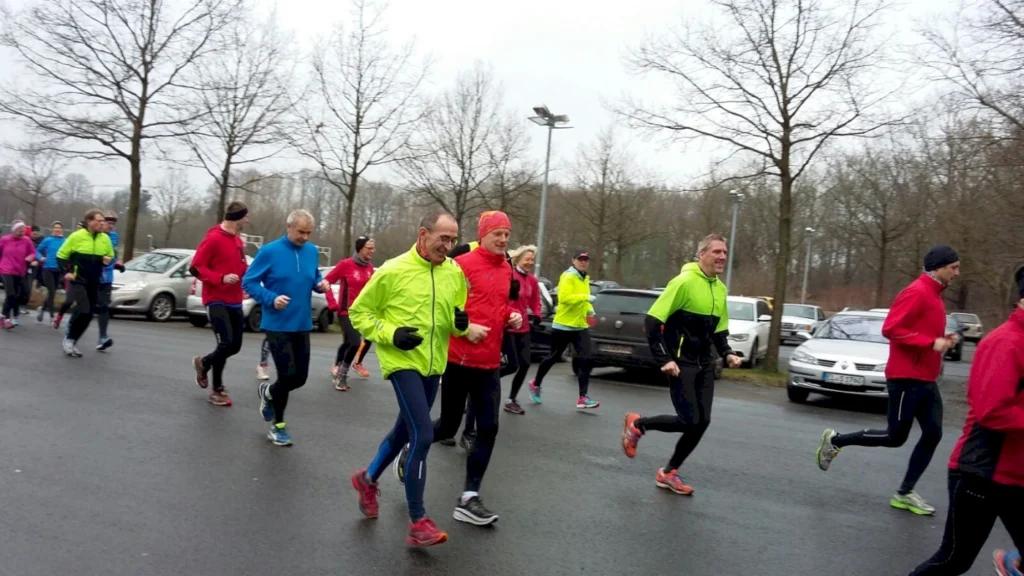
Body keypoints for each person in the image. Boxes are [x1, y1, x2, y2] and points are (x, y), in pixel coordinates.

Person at [348, 210, 474, 547]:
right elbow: (360, 312)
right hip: (401, 362)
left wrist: (460, 323)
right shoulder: (393, 270)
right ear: (422, 234)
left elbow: (454, 322)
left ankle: (367, 478)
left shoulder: (454, 273)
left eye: (452, 240)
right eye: (442, 238)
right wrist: (391, 333)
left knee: (405, 429)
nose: (447, 246)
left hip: (434, 365)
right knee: (422, 432)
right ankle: (418, 520)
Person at [393, 211, 520, 527]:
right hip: (457, 359)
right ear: (484, 235)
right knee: (449, 426)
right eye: (497, 234)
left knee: (488, 428)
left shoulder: (507, 269)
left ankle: (468, 497)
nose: (503, 240)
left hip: (489, 362)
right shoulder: (460, 265)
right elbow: (443, 305)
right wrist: (466, 327)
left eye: (507, 234)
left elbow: (497, 305)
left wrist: (510, 317)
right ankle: (411, 447)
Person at [816, 245, 961, 516]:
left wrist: (943, 342)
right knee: (895, 437)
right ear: (938, 267)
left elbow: (921, 333)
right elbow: (891, 329)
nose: (957, 273)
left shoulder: (935, 296)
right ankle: (836, 440)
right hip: (905, 378)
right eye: (953, 267)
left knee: (933, 433)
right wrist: (931, 342)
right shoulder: (916, 292)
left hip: (926, 379)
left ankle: (905, 492)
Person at [906, 266, 1024, 576]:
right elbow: (992, 411)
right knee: (953, 560)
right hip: (982, 473)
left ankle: (1014, 564)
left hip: (1017, 473)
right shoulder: (1006, 342)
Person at [621, 234, 742, 494]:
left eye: (724, 252)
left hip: (705, 363)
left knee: (703, 421)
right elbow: (653, 322)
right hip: (680, 363)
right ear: (702, 254)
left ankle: (668, 472)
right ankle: (638, 425)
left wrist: (728, 352)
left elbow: (719, 330)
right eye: (717, 252)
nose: (722, 257)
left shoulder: (720, 289)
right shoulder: (683, 282)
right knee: (688, 419)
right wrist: (664, 358)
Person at [242, 209, 329, 446]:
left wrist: (320, 285)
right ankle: (278, 427)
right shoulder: (269, 251)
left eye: (309, 233)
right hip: (277, 323)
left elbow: (311, 277)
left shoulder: (311, 251)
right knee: (287, 374)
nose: (305, 237)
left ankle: (267, 393)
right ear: (289, 228)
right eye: (301, 232)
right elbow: (248, 281)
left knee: (300, 378)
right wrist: (271, 298)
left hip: (302, 323)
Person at [189, 201, 250, 407]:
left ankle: (203, 363)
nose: (247, 220)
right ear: (237, 218)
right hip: (216, 298)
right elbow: (195, 268)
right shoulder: (214, 238)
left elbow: (242, 267)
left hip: (235, 300)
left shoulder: (238, 241)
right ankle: (217, 388)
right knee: (225, 343)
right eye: (245, 217)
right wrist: (220, 278)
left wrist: (250, 281)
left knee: (235, 345)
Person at [528, 249, 600, 409]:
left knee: (586, 358)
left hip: (580, 325)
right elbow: (565, 298)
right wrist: (586, 298)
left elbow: (583, 299)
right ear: (573, 260)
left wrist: (589, 309)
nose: (583, 262)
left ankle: (583, 397)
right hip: (563, 325)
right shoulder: (568, 276)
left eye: (586, 260)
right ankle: (535, 383)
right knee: (553, 357)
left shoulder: (584, 278)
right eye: (580, 259)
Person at [56, 210, 114, 357]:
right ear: (89, 221)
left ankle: (73, 340)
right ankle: (68, 340)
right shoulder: (77, 237)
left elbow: (110, 256)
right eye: (99, 220)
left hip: (94, 281)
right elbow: (61, 255)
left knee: (88, 315)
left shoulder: (105, 239)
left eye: (103, 221)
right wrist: (66, 272)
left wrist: (108, 260)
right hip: (78, 279)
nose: (102, 223)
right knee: (84, 309)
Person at [324, 235, 376, 391]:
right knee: (354, 342)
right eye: (369, 248)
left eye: (374, 248)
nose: (372, 251)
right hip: (345, 311)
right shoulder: (345, 265)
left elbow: (371, 291)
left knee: (349, 342)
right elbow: (326, 282)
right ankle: (341, 375)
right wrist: (333, 304)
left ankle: (338, 365)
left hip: (362, 313)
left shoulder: (369, 268)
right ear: (360, 248)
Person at [504, 244, 542, 415]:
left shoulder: (532, 280)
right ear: (518, 259)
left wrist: (537, 313)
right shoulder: (509, 275)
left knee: (525, 363)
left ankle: (511, 399)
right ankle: (480, 388)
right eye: (527, 259)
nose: (530, 262)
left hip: (524, 327)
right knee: (512, 365)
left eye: (532, 260)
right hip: (508, 326)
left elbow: (535, 300)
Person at [0, 221, 38, 329]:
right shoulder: (4, 240)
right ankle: (7, 319)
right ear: (13, 230)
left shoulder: (26, 241)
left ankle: (3, 316)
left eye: (23, 231)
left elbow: (33, 252)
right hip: (5, 269)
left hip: (19, 270)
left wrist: (30, 257)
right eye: (18, 231)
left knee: (14, 295)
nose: (21, 233)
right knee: (11, 294)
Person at [94, 211, 122, 351]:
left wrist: (118, 263)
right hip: (92, 277)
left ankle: (102, 337)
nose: (110, 226)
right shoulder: (94, 236)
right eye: (108, 223)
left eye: (113, 224)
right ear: (101, 223)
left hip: (107, 278)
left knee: (104, 307)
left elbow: (112, 254)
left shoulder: (114, 237)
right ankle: (70, 333)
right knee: (85, 310)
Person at [35, 222, 65, 323]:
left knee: (52, 293)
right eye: (55, 228)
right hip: (47, 269)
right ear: (52, 229)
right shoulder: (47, 240)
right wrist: (40, 257)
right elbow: (37, 251)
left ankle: (42, 308)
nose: (57, 229)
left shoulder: (65, 241)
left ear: (62, 230)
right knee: (51, 291)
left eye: (59, 228)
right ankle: (52, 317)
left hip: (59, 270)